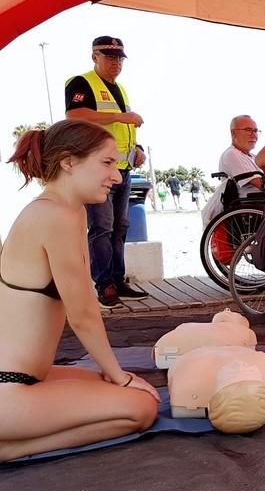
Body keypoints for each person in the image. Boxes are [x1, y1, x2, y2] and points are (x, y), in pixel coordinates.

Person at [0, 120, 159, 462]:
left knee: (117, 386)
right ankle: (11, 449)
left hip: (25, 379)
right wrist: (118, 375)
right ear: (69, 162)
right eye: (106, 163)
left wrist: (114, 376)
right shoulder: (56, 216)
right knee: (140, 407)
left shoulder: (61, 210)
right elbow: (83, 313)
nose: (116, 176)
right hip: (8, 387)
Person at [65, 36, 148, 307]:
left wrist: (137, 149)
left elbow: (122, 129)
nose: (116, 63)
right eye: (109, 56)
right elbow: (74, 115)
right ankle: (104, 284)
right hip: (95, 169)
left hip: (122, 168)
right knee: (101, 226)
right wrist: (121, 117)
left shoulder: (120, 89)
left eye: (119, 58)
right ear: (94, 57)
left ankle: (117, 278)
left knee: (120, 226)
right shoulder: (82, 82)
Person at [219, 115, 263, 190]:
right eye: (248, 130)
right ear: (233, 133)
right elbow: (262, 185)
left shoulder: (254, 157)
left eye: (255, 131)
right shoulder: (232, 154)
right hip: (252, 201)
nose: (254, 135)